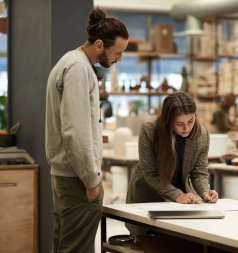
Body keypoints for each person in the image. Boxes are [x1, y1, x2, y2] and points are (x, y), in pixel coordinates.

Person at [45, 8, 129, 253]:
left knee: (65, 245)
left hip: (68, 177)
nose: (120, 59)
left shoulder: (71, 62)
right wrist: (91, 180)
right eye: (118, 53)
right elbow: (76, 131)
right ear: (100, 44)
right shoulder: (79, 69)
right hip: (78, 179)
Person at [126, 91, 219, 236]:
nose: (186, 128)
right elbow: (151, 173)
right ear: (168, 120)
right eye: (179, 123)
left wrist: (205, 192)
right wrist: (176, 195)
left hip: (182, 198)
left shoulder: (202, 135)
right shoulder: (150, 131)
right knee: (149, 242)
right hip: (149, 195)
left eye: (191, 121)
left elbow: (199, 172)